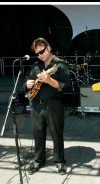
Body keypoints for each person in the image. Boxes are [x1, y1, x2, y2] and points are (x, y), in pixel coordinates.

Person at [25, 38, 70, 175]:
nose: (40, 55)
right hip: (36, 106)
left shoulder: (61, 65)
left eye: (42, 51)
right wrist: (27, 84)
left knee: (56, 134)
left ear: (48, 47)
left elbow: (64, 86)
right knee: (38, 134)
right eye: (37, 53)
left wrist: (49, 80)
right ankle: (38, 160)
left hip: (53, 104)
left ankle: (60, 161)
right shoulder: (35, 66)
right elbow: (26, 83)